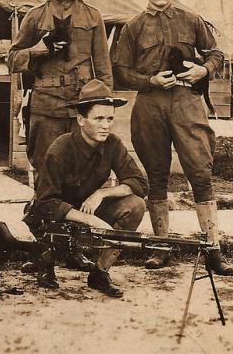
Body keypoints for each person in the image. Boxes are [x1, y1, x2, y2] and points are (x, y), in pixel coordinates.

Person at [112, 0, 233, 275]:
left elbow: (216, 53)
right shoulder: (133, 27)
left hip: (186, 101)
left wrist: (203, 70)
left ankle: (213, 249)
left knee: (201, 172)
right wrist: (150, 80)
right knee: (156, 175)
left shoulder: (191, 19)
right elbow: (121, 70)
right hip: (150, 103)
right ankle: (160, 247)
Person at [8, 0, 113, 271]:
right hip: (46, 108)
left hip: (80, 110)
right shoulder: (35, 16)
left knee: (80, 179)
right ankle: (45, 251)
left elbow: (103, 67)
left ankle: (73, 249)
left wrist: (102, 108)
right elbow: (13, 60)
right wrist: (38, 50)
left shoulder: (92, 16)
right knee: (46, 177)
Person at [26, 79, 148, 298]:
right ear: (81, 120)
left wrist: (102, 193)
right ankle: (45, 261)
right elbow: (45, 202)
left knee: (136, 205)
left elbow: (139, 182)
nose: (106, 125)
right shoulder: (60, 148)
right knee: (47, 230)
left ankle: (99, 273)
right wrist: (89, 219)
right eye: (99, 118)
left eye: (110, 119)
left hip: (87, 209)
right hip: (54, 216)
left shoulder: (113, 144)